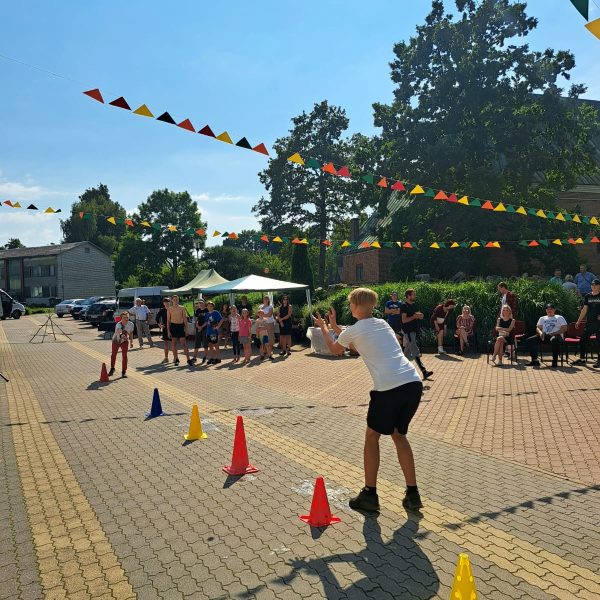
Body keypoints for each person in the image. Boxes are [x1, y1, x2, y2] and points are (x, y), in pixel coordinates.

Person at [312, 287, 424, 513]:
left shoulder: (355, 330)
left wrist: (324, 327)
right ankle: (413, 495)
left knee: (372, 436)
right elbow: (356, 342)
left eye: (350, 304)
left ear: (355, 306)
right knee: (399, 435)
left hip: (388, 387)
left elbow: (335, 349)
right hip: (412, 383)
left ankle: (370, 494)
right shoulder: (382, 324)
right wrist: (334, 326)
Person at [400, 289, 433, 380]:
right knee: (414, 350)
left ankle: (398, 369)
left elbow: (420, 315)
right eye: (413, 294)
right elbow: (404, 320)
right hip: (408, 331)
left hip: (414, 331)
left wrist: (420, 316)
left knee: (407, 353)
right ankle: (424, 371)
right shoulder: (404, 306)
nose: (415, 296)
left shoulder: (414, 305)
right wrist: (414, 316)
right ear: (408, 296)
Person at [525, 304, 567, 368]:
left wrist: (554, 333)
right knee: (530, 340)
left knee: (555, 340)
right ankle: (535, 360)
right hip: (544, 335)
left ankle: (554, 361)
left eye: (551, 309)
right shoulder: (542, 318)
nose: (549, 310)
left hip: (556, 335)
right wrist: (540, 333)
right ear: (546, 310)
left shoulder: (559, 317)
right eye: (548, 309)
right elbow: (538, 328)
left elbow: (564, 328)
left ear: (554, 310)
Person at [572, 278, 600, 368]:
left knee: (598, 342)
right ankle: (582, 359)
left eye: (596, 284)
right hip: (590, 322)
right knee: (583, 340)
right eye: (592, 285)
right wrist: (578, 321)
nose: (593, 286)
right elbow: (584, 309)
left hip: (599, 323)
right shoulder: (588, 296)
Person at [167, 295, 192, 366]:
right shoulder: (169, 309)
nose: (175, 300)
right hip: (173, 326)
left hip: (180, 326)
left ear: (178, 300)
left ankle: (188, 359)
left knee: (184, 344)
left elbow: (185, 319)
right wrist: (168, 331)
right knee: (174, 344)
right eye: (174, 299)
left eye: (177, 299)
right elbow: (168, 321)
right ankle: (176, 359)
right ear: (172, 300)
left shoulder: (182, 308)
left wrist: (186, 329)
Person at [109, 311, 134, 377]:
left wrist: (131, 342)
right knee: (113, 355)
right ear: (121, 318)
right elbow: (119, 333)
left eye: (127, 317)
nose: (126, 319)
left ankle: (124, 372)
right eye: (124, 317)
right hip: (116, 340)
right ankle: (112, 368)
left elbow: (131, 333)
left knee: (124, 356)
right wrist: (123, 336)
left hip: (124, 341)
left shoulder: (131, 324)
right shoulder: (118, 324)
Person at [192, 300, 209, 364]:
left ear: (204, 303)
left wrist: (201, 327)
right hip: (198, 328)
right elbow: (196, 319)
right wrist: (197, 326)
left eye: (202, 303)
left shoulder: (207, 310)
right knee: (197, 343)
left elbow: (207, 321)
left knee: (205, 344)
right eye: (199, 303)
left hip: (205, 328)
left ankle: (205, 357)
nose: (201, 304)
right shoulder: (197, 310)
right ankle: (194, 358)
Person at [259, 296, 275, 360]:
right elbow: (258, 314)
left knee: (270, 338)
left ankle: (270, 353)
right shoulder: (260, 306)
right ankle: (264, 352)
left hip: (270, 324)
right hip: (263, 324)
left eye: (266, 299)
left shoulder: (270, 306)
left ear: (268, 300)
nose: (265, 300)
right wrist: (262, 314)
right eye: (264, 299)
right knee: (263, 339)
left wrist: (262, 315)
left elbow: (269, 315)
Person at [155, 297, 171, 363]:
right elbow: (157, 318)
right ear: (163, 303)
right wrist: (159, 325)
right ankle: (166, 358)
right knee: (166, 343)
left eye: (168, 302)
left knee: (173, 343)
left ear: (170, 302)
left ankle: (175, 358)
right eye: (165, 302)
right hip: (165, 328)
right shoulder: (162, 310)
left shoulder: (172, 309)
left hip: (173, 327)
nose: (166, 303)